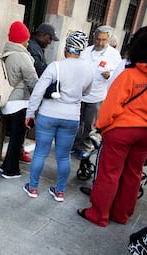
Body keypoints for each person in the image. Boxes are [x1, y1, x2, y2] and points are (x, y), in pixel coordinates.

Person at [77, 26, 147, 227]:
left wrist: (102, 127)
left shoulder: (129, 75)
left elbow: (110, 108)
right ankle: (121, 215)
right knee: (133, 174)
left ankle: (99, 214)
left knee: (109, 173)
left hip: (122, 130)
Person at [23, 30, 93, 201]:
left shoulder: (55, 66)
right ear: (82, 49)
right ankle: (59, 191)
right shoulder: (89, 70)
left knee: (40, 153)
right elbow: (87, 92)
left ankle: (32, 188)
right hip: (71, 117)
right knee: (63, 156)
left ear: (66, 48)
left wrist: (30, 113)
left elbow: (38, 92)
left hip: (49, 114)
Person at [72, 26, 122, 159]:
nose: (100, 43)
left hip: (97, 96)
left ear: (108, 39)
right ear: (94, 37)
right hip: (81, 93)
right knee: (77, 121)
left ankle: (85, 147)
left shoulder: (114, 55)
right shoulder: (87, 51)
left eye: (104, 40)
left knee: (90, 125)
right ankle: (74, 145)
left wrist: (109, 75)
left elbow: (118, 74)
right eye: (98, 39)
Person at [0, 21, 38, 178]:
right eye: (26, 39)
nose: (27, 42)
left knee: (14, 138)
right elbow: (33, 81)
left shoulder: (7, 54)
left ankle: (5, 166)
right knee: (17, 139)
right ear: (21, 39)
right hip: (19, 104)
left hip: (8, 102)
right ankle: (11, 170)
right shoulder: (22, 56)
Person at [18, 23, 60, 164]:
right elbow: (37, 69)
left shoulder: (37, 47)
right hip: (25, 93)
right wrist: (54, 70)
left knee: (26, 124)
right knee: (24, 124)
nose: (49, 42)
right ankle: (19, 150)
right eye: (49, 38)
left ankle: (20, 149)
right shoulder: (32, 48)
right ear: (41, 34)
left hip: (29, 92)